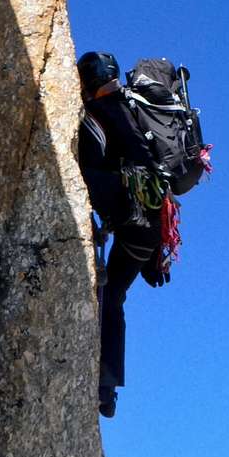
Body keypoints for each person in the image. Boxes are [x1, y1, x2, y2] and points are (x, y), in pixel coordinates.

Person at [76, 51, 169, 418]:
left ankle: (104, 385)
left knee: (109, 296)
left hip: (133, 222)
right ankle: (108, 389)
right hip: (150, 228)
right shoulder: (133, 110)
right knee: (113, 295)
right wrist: (157, 254)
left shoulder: (98, 117)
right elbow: (155, 177)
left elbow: (91, 174)